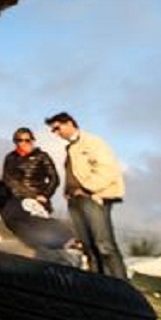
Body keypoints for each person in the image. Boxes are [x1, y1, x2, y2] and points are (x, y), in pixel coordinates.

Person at [45, 112, 127, 279]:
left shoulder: (92, 142)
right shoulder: (71, 147)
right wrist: (68, 193)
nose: (56, 133)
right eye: (53, 130)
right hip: (76, 201)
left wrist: (88, 189)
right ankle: (98, 285)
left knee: (104, 245)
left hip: (93, 199)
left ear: (69, 123)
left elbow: (107, 169)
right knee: (88, 246)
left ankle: (122, 286)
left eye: (57, 128)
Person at [0, 178, 82, 267]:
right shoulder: (22, 201)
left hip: (58, 248)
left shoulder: (9, 214)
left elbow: (32, 235)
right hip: (64, 238)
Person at [2, 127, 59, 214]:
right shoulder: (10, 157)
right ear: (15, 141)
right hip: (15, 201)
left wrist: (45, 195)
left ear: (32, 141)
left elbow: (54, 178)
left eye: (27, 140)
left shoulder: (42, 156)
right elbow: (6, 179)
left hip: (36, 202)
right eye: (20, 140)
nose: (24, 143)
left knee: (37, 226)